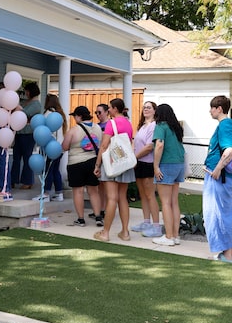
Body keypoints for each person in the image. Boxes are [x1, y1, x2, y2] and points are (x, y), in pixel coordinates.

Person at [202, 95, 232, 262]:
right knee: (227, 213)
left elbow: (230, 149)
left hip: (222, 177)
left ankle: (226, 254)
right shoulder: (228, 124)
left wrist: (217, 168)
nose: (210, 111)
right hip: (228, 177)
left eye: (212, 107)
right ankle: (231, 251)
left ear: (219, 109)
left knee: (218, 214)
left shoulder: (225, 125)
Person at [93, 98, 135, 242]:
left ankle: (105, 233)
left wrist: (97, 165)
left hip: (112, 163)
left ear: (115, 109)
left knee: (111, 198)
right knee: (122, 198)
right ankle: (125, 232)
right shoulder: (128, 124)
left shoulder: (111, 123)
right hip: (125, 163)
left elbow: (104, 146)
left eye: (110, 108)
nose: (109, 110)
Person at [151, 103, 186, 247]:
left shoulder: (161, 126)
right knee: (174, 202)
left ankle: (168, 236)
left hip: (166, 165)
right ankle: (176, 236)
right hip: (179, 164)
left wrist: (155, 166)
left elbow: (159, 145)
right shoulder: (175, 128)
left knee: (165, 202)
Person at [61, 106, 103, 226]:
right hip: (93, 162)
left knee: (78, 191)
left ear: (79, 116)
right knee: (94, 191)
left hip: (76, 163)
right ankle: (98, 216)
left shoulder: (73, 130)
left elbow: (64, 147)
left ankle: (81, 219)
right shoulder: (98, 128)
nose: (74, 118)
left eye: (75, 116)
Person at [130, 101, 161, 237]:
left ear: (155, 111)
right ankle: (146, 222)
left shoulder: (154, 126)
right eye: (144, 107)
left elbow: (149, 147)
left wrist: (134, 158)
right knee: (142, 195)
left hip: (147, 163)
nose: (146, 109)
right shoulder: (142, 126)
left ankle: (156, 226)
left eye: (149, 107)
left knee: (150, 195)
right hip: (139, 163)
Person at [11, 83, 42, 189]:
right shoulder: (24, 102)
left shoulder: (36, 104)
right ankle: (13, 180)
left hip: (28, 134)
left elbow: (24, 113)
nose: (26, 93)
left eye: (27, 91)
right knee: (16, 158)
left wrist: (17, 108)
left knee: (27, 157)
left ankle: (28, 181)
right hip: (18, 133)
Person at [40, 93, 67, 201]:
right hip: (60, 146)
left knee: (48, 170)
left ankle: (46, 193)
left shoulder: (48, 113)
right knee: (56, 170)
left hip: (50, 146)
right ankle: (59, 193)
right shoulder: (60, 114)